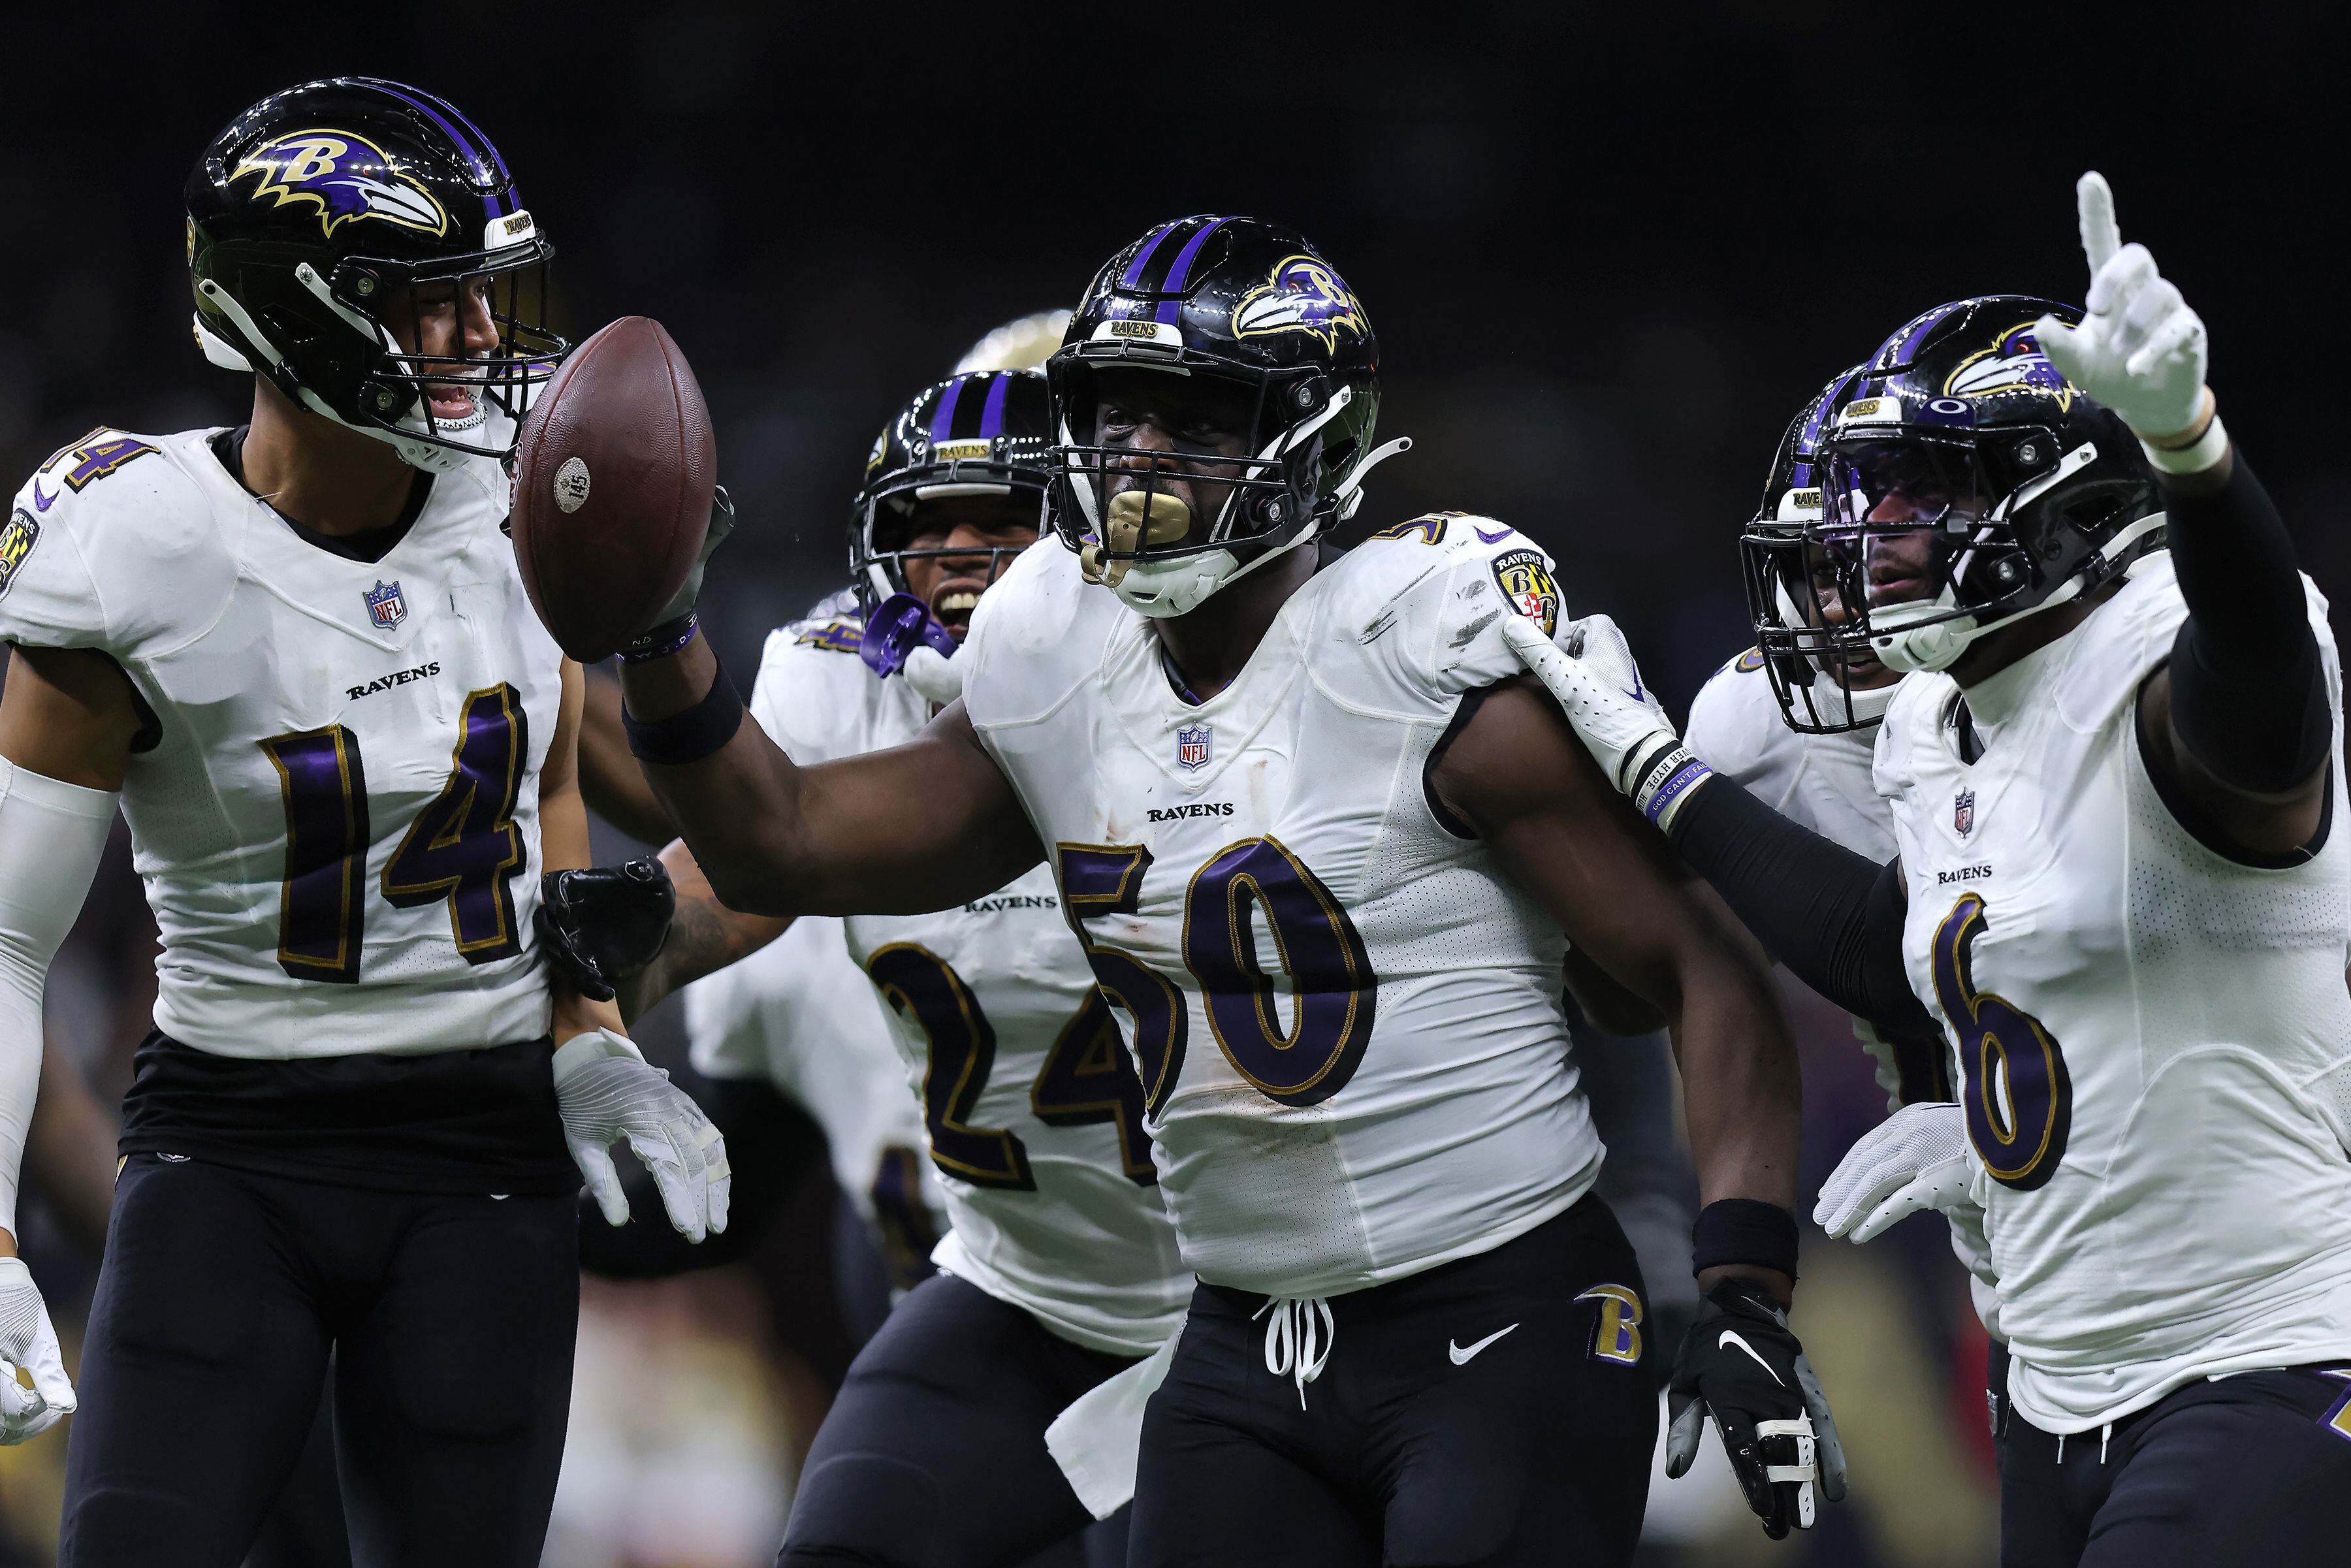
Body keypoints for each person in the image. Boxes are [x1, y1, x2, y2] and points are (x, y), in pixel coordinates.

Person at [564, 214, 1842, 1562]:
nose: (1140, 461)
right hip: (1236, 1339)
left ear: (1312, 440)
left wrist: (1741, 1280)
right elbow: (792, 839)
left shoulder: (1419, 657)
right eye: (1116, 418)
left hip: (1496, 1312)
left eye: (1193, 422)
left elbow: (1695, 966)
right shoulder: (1056, 668)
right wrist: (661, 639)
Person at [1504, 174, 2351, 1565]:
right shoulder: (1934, 716)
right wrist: (1661, 776)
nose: (1877, 527)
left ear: (2061, 503)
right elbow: (1881, 937)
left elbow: (2260, 719)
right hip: (2057, 1378)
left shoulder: (2161, 655)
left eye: (1923, 487)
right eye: (1871, 487)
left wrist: (2192, 449)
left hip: (2264, 1355)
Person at [0, 78, 728, 1567]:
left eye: (484, 295)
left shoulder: (537, 508)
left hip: (481, 1160)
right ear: (295, 314)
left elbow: (548, 785)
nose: (480, 336)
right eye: (431, 301)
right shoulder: (137, 545)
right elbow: (6, 938)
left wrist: (587, 1031)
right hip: (228, 1150)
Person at [543, 368, 1184, 1568]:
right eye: (924, 525)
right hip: (1018, 1284)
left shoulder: (1185, 694)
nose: (954, 554)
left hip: (1235, 1310)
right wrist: (586, 985)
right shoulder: (839, 681)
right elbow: (729, 885)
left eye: (1002, 521)